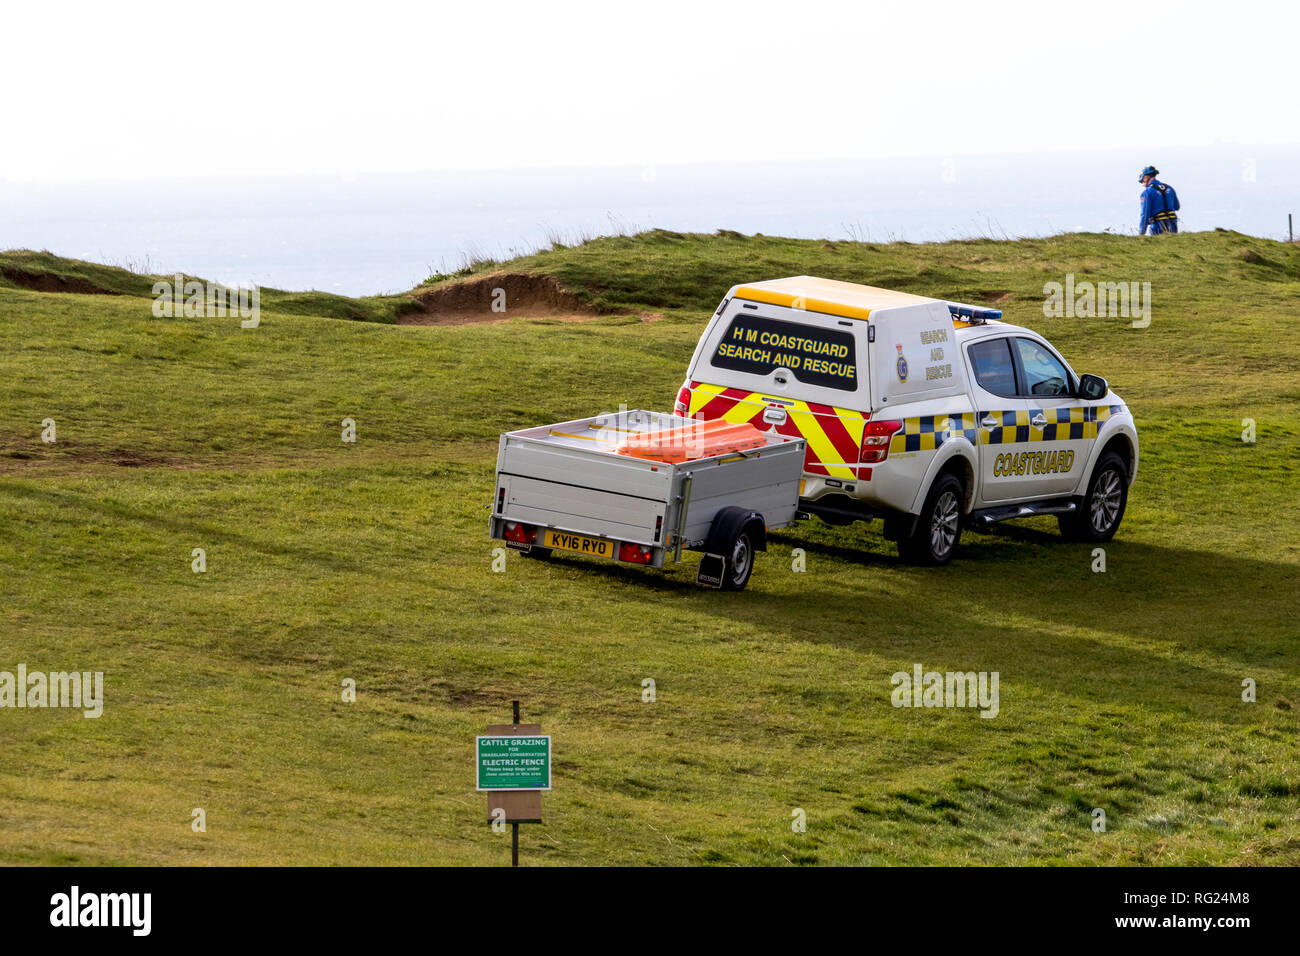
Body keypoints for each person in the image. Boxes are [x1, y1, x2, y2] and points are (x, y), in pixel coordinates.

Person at [1138, 165, 1179, 235]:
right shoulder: (1170, 188)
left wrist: (1141, 233)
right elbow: (1177, 207)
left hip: (1157, 226)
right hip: (1173, 225)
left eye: (1143, 182)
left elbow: (1144, 215)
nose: (1143, 184)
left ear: (1145, 177)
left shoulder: (1147, 192)